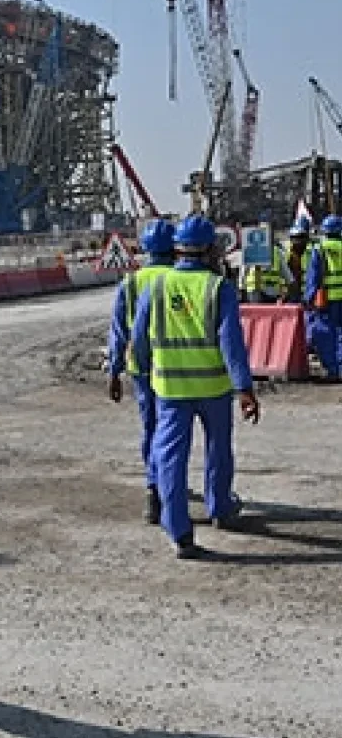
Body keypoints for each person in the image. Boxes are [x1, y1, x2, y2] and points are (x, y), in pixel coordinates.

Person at [131, 215, 261, 559]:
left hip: (170, 390)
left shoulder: (154, 288)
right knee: (218, 449)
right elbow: (231, 343)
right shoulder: (219, 288)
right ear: (209, 249)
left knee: (170, 458)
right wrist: (244, 388)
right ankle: (220, 508)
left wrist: (143, 372)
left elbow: (139, 338)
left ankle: (179, 532)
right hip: (214, 388)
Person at [107, 219, 176, 524]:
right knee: (173, 433)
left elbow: (119, 331)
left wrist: (113, 370)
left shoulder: (131, 283)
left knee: (150, 428)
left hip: (142, 369)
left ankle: (154, 491)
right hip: (176, 369)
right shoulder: (180, 277)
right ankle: (170, 488)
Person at [303, 213, 342, 382]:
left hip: (325, 299)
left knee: (325, 334)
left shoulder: (319, 249)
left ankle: (333, 370)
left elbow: (314, 276)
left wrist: (309, 298)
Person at [241, 235, 293, 304]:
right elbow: (243, 271)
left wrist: (285, 293)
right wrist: (241, 289)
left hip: (272, 293)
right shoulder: (251, 250)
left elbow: (288, 277)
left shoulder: (277, 252)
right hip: (254, 292)